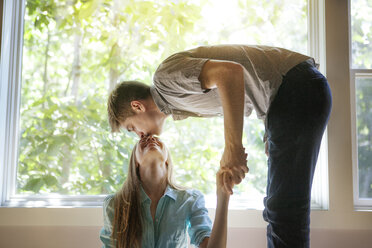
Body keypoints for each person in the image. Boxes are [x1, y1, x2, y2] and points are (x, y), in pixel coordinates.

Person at [107, 44, 332, 247]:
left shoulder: (164, 80)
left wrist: (232, 147)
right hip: (285, 99)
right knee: (278, 208)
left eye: (131, 128)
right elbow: (249, 91)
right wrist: (270, 133)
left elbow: (230, 73)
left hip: (296, 88)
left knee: (285, 209)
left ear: (137, 106)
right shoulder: (181, 104)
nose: (139, 136)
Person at [100, 135, 231, 248]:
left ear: (167, 159)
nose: (151, 139)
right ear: (135, 162)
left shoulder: (190, 199)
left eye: (156, 139)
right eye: (143, 140)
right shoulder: (115, 204)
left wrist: (223, 196)